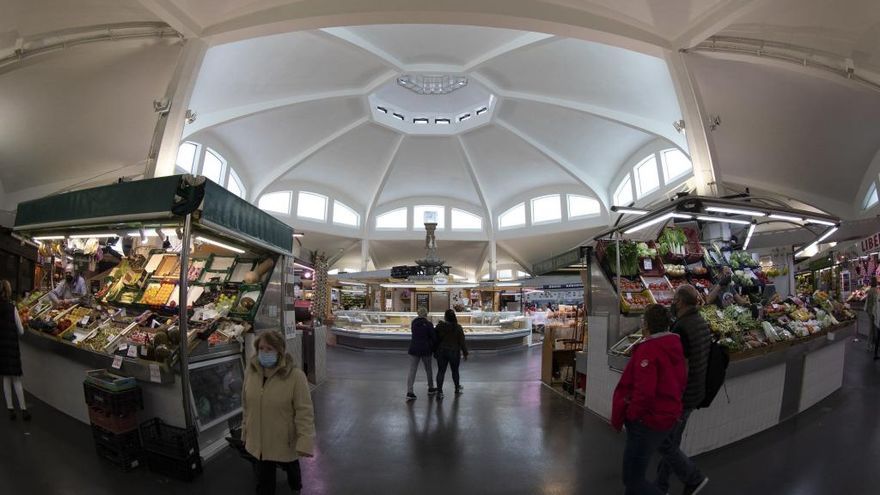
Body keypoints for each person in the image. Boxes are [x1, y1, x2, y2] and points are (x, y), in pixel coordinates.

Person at [611, 304, 686, 495]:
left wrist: (632, 415)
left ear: (647, 325)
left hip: (646, 422)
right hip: (667, 416)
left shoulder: (648, 350)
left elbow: (644, 392)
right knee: (637, 476)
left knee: (632, 479)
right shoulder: (675, 345)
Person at [242, 330, 315, 495]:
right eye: (261, 348)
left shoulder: (295, 376)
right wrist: (245, 431)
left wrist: (305, 440)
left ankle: (296, 488)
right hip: (259, 440)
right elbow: (246, 405)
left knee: (292, 468)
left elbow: (304, 411)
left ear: (280, 351)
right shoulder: (251, 372)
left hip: (284, 439)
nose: (264, 352)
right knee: (264, 483)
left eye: (269, 349)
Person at [655, 284, 711, 494]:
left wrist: (672, 396)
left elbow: (682, 367)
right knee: (671, 443)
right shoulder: (701, 322)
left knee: (664, 442)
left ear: (679, 301)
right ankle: (661, 486)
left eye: (674, 299)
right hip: (696, 392)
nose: (672, 303)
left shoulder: (681, 327)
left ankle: (693, 478)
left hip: (682, 396)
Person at [0, 280, 28, 421]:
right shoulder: (12, 308)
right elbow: (21, 331)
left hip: (2, 348)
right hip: (11, 347)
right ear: (8, 291)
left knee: (5, 377)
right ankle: (23, 409)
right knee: (16, 378)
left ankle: (10, 409)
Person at [434, 309, 468, 399]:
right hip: (454, 352)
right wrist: (465, 353)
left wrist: (434, 350)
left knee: (441, 371)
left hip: (441, 352)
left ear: (445, 317)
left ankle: (439, 392)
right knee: (455, 371)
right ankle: (457, 388)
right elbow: (462, 341)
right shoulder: (458, 327)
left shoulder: (440, 326)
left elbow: (434, 339)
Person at [406, 307, 437, 400]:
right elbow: (433, 337)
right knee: (428, 369)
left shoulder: (414, 323)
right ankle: (431, 388)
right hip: (425, 349)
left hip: (414, 349)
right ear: (426, 314)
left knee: (412, 370)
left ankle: (410, 391)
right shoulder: (428, 324)